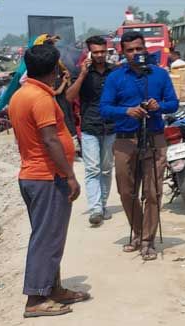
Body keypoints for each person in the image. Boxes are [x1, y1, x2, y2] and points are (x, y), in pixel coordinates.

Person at [10, 42, 90, 319]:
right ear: (54, 69)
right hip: (46, 177)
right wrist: (69, 176)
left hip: (33, 176)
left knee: (50, 237)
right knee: (46, 239)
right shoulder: (41, 99)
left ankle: (52, 288)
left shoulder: (21, 95)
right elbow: (49, 139)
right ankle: (36, 298)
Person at [100, 30, 179, 261]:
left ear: (145, 49)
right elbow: (104, 109)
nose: (135, 53)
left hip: (154, 137)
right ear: (123, 52)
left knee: (153, 192)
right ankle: (137, 230)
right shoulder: (115, 77)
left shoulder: (159, 74)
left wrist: (158, 106)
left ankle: (147, 240)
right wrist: (126, 110)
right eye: (130, 50)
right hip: (125, 139)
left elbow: (173, 103)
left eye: (139, 48)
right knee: (126, 191)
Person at [64, 35, 115, 227]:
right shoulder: (81, 72)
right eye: (96, 52)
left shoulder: (114, 72)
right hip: (89, 127)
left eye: (103, 51)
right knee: (92, 168)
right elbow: (69, 97)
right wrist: (83, 74)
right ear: (90, 53)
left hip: (110, 126)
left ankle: (102, 204)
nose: (100, 55)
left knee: (106, 168)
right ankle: (95, 209)